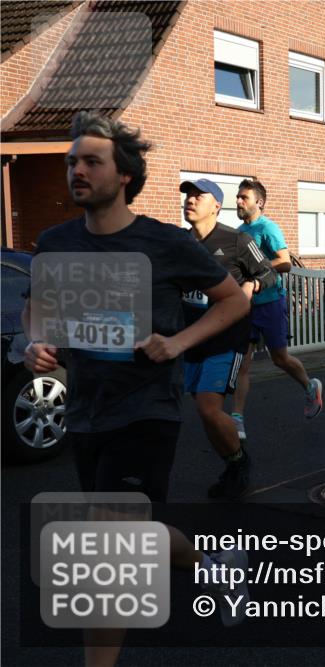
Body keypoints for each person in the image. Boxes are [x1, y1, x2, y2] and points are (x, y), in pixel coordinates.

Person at [22, 111, 250, 665]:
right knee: (136, 530)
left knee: (109, 543)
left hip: (147, 411)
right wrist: (34, 343)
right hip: (87, 411)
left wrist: (177, 343)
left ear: (124, 175)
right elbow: (39, 306)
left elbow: (235, 300)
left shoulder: (164, 243)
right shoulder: (56, 241)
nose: (76, 170)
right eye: (72, 161)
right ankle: (212, 565)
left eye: (90, 161)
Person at [180, 178, 276, 499]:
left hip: (228, 337)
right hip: (192, 338)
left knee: (209, 407)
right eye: (187, 196)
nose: (190, 200)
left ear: (216, 206)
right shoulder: (180, 244)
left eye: (198, 196)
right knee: (204, 411)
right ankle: (232, 462)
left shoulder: (236, 240)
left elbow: (268, 272)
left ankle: (240, 464)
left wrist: (250, 287)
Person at [231, 179, 323, 441]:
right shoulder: (238, 232)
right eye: (237, 197)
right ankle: (237, 419)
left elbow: (284, 262)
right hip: (246, 306)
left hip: (271, 302)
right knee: (242, 363)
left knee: (279, 358)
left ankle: (309, 386)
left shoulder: (268, 228)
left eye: (243, 197)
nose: (238, 201)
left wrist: (257, 271)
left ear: (258, 202)